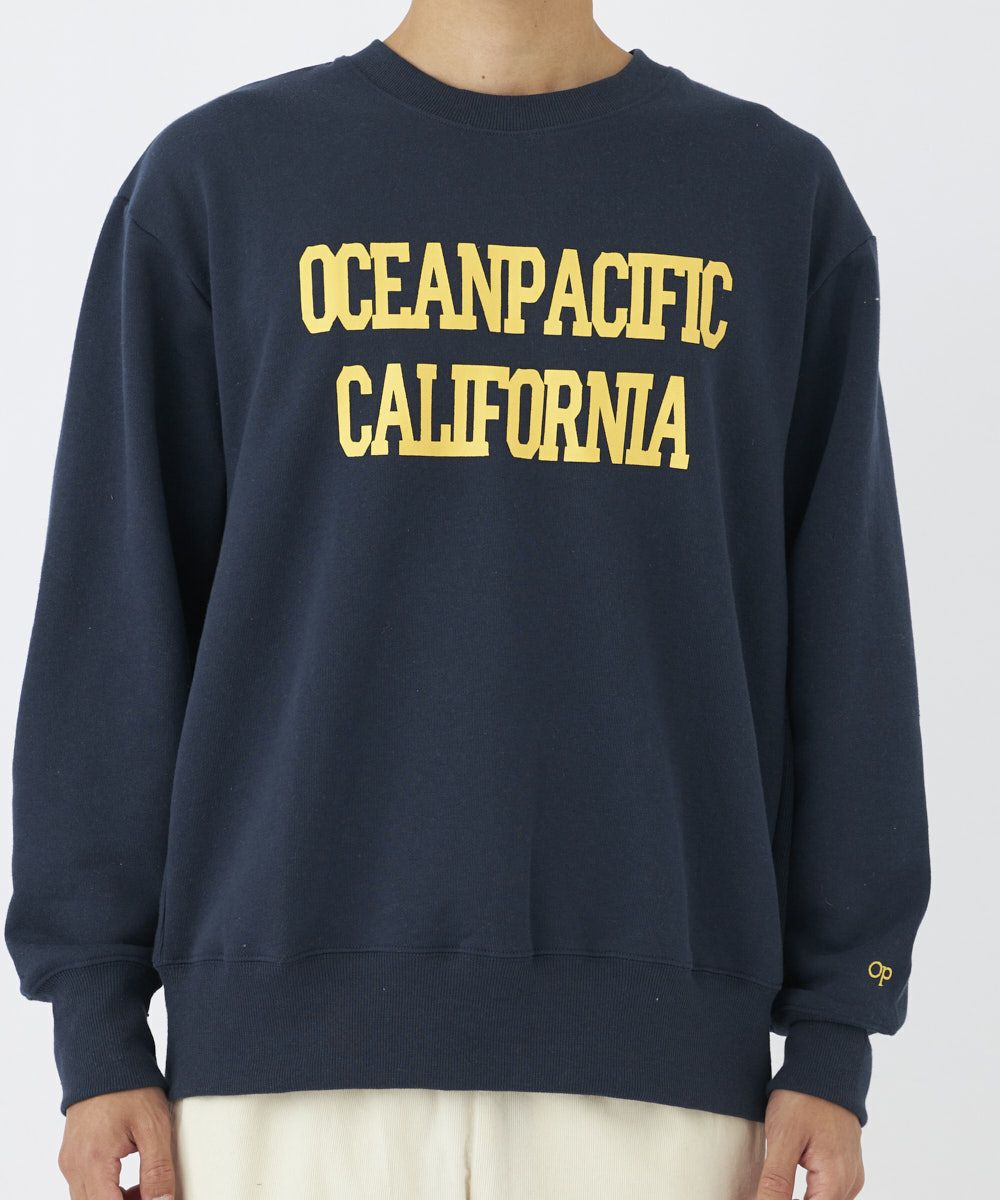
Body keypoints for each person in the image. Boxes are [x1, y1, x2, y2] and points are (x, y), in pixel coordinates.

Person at [4, 1, 932, 1198]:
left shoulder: (770, 197)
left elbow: (847, 641)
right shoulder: (218, 182)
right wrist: (95, 1023)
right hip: (279, 1080)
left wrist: (836, 1027)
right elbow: (114, 620)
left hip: (662, 1082)